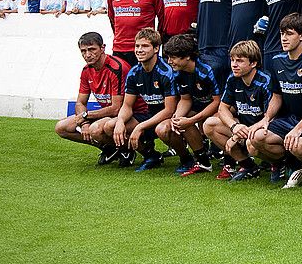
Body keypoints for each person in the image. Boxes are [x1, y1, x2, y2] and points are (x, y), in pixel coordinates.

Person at [245, 13, 302, 191]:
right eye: (282, 34)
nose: (284, 38)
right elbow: (277, 96)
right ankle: (295, 165)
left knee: (299, 146)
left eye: (289, 34)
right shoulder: (277, 61)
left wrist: (299, 128)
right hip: (289, 120)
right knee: (254, 140)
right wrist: (266, 119)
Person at [54, 32, 133, 165]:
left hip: (126, 114)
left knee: (95, 129)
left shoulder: (116, 67)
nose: (87, 54)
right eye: (83, 51)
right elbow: (80, 102)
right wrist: (84, 123)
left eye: (92, 49)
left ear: (103, 48)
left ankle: (126, 149)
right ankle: (108, 148)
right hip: (106, 114)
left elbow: (116, 108)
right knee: (61, 127)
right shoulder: (86, 70)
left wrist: (86, 115)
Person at [203, 40, 272, 181]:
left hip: (266, 130)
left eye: (239, 61)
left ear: (253, 63)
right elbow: (222, 108)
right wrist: (234, 126)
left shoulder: (265, 81)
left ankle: (280, 164)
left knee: (253, 141)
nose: (234, 64)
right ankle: (248, 166)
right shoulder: (233, 79)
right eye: (232, 60)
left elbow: (270, 118)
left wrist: (236, 136)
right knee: (209, 124)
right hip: (244, 128)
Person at [112, 28, 179, 171]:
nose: (139, 50)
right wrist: (120, 121)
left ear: (156, 48)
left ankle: (187, 159)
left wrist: (140, 126)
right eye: (137, 46)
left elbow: (169, 110)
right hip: (149, 115)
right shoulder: (134, 73)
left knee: (162, 129)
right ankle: (151, 155)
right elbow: (127, 105)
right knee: (110, 126)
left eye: (145, 46)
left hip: (170, 117)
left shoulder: (166, 72)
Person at [161, 33, 221, 176]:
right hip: (199, 105)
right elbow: (185, 99)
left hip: (222, 107)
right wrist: (177, 118)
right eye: (168, 57)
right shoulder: (178, 72)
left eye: (173, 57)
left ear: (187, 56)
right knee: (179, 122)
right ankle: (203, 162)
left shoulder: (210, 69)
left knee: (213, 121)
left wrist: (193, 120)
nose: (170, 62)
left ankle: (232, 160)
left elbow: (217, 101)